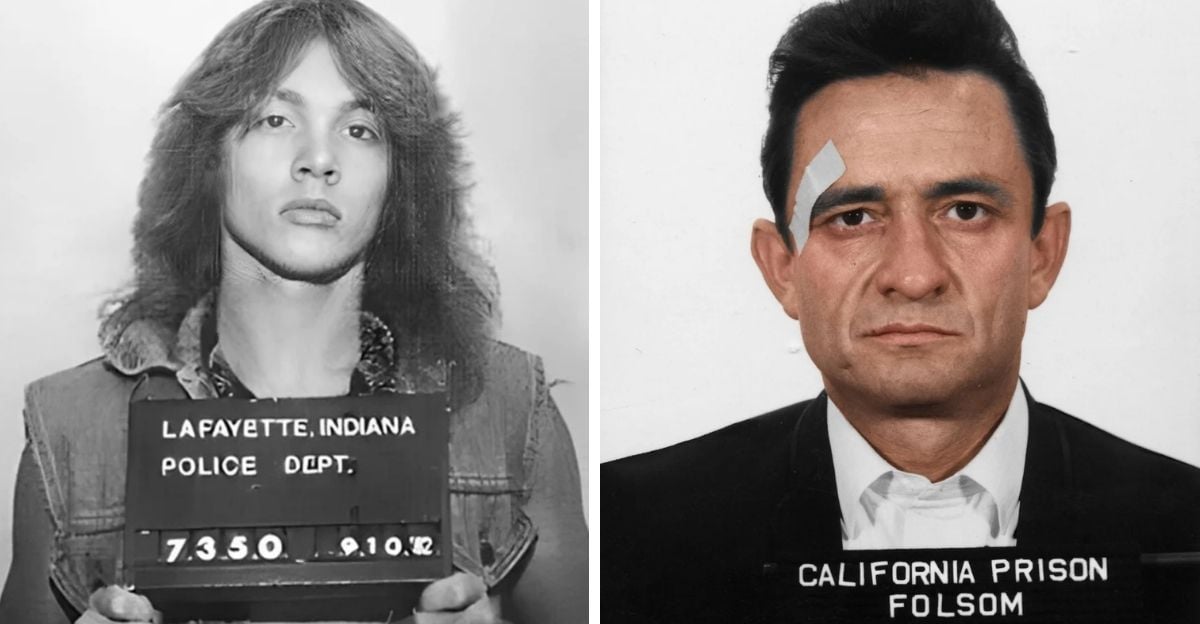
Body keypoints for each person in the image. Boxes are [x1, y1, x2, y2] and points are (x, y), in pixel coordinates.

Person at [601, 0, 1200, 621]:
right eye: (853, 218)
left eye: (966, 210)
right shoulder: (628, 532)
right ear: (782, 269)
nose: (913, 276)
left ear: (1042, 254)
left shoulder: (1182, 524)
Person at [0, 1, 586, 622]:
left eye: (361, 130)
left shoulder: (510, 415)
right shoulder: (72, 432)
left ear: (398, 183)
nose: (319, 159)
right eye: (276, 119)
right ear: (209, 161)